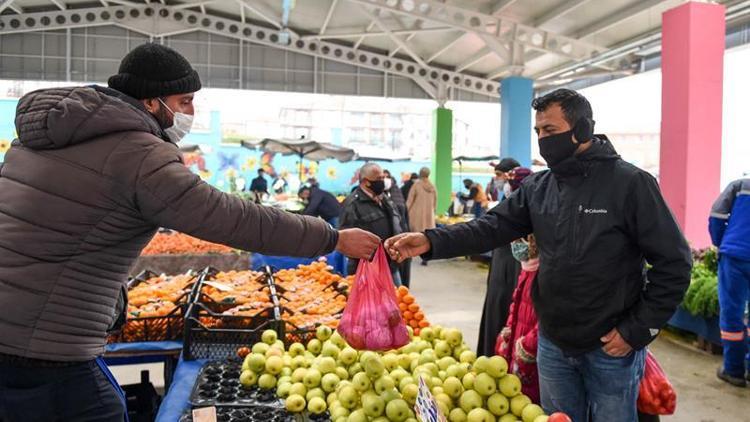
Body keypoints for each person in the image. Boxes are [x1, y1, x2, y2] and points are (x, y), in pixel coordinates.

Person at [0, 43, 380, 422]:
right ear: (151, 102)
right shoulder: (140, 154)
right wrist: (331, 238)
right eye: (184, 101)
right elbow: (230, 217)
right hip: (45, 344)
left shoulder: (37, 141)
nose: (191, 113)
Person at [385, 88, 692, 422]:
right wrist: (430, 241)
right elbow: (489, 228)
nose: (543, 140)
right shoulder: (539, 188)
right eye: (538, 132)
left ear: (583, 130)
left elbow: (674, 263)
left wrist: (637, 330)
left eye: (551, 131)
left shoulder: (631, 184)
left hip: (610, 346)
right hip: (554, 343)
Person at [477, 165, 529, 357]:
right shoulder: (504, 208)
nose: (502, 183)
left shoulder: (529, 213)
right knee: (495, 315)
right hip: (499, 274)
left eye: (503, 178)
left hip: (514, 276)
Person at [709, 178, 750, 387]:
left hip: (735, 256)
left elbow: (716, 213)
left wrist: (720, 241)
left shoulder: (741, 185)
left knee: (732, 313)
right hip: (736, 253)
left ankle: (734, 370)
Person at [341, 163, 403, 285]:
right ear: (366, 182)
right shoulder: (352, 204)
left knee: (397, 300)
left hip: (391, 263)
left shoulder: (385, 199)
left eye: (383, 177)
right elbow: (346, 239)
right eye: (378, 179)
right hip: (368, 268)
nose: (383, 182)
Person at [496, 233, 540, 404]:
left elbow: (549, 317)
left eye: (521, 241)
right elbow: (517, 302)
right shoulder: (527, 268)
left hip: (532, 358)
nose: (515, 245)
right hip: (519, 354)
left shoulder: (545, 273)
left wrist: (527, 346)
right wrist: (508, 332)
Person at [406, 167, 437, 266]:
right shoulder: (432, 186)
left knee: (414, 234)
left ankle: (410, 253)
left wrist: (406, 211)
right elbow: (435, 202)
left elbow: (410, 200)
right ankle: (425, 257)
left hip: (417, 214)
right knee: (427, 236)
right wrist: (432, 210)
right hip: (429, 214)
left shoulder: (416, 185)